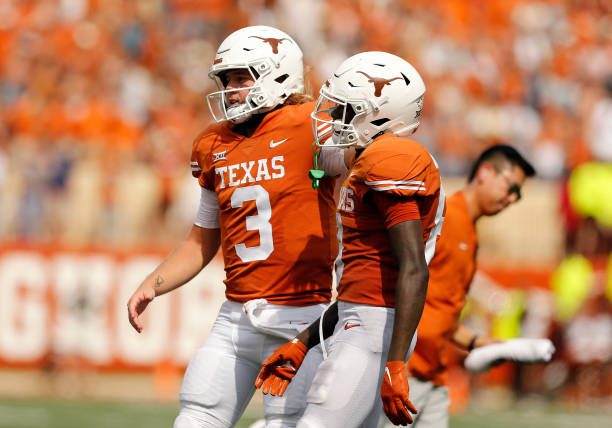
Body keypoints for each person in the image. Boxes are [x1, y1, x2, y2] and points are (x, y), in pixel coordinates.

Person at [126, 25, 343, 428]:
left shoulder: (310, 125)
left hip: (302, 317)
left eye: (241, 78)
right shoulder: (213, 145)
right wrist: (151, 285)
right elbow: (201, 241)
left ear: (277, 75)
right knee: (195, 417)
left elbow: (355, 162)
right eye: (226, 80)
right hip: (236, 316)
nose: (230, 89)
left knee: (288, 422)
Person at [255, 51, 445, 427]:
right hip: (364, 326)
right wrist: (304, 342)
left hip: (375, 333)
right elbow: (361, 291)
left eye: (344, 110)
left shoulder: (392, 157)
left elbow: (412, 269)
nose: (333, 118)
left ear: (380, 114)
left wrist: (393, 362)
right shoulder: (370, 159)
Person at [378, 144, 539, 428]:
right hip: (407, 372)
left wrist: (478, 343)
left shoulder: (470, 231)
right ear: (485, 172)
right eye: (511, 187)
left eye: (519, 194)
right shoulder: (445, 216)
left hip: (434, 374)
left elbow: (443, 310)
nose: (513, 199)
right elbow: (398, 283)